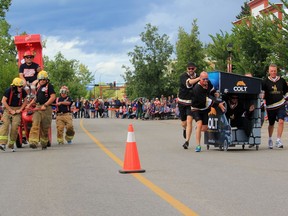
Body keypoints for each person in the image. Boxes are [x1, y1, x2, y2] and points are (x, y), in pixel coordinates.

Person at [191, 72, 226, 152]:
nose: (206, 81)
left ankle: (198, 129)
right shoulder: (197, 89)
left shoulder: (208, 83)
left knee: (205, 128)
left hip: (205, 108)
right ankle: (198, 145)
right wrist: (218, 104)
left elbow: (212, 91)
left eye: (207, 79)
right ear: (200, 79)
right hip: (196, 108)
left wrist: (216, 95)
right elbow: (207, 100)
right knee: (199, 123)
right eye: (204, 79)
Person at [26, 70, 56, 150]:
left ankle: (44, 142)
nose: (42, 81)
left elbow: (53, 97)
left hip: (47, 109)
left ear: (46, 80)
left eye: (44, 79)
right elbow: (36, 98)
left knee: (45, 128)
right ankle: (33, 142)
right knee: (35, 124)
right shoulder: (38, 87)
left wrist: (45, 105)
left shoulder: (49, 86)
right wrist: (29, 104)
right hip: (38, 108)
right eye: (41, 79)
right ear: (38, 80)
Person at [262, 64, 288, 149]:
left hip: (281, 104)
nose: (273, 72)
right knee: (271, 123)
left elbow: (286, 92)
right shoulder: (265, 81)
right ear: (268, 72)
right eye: (271, 71)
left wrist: (285, 98)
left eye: (275, 71)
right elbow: (262, 93)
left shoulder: (282, 81)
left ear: (277, 71)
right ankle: (270, 139)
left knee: (281, 121)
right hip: (270, 106)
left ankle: (278, 140)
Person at [0, 78, 28, 152]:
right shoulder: (8, 90)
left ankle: (11, 145)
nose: (21, 88)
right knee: (5, 125)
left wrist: (21, 109)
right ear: (14, 86)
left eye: (22, 86)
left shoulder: (23, 91)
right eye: (19, 87)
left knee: (15, 127)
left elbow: (25, 101)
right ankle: (2, 144)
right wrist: (10, 110)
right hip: (8, 109)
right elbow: (3, 101)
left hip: (17, 110)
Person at [177, 62, 200, 149]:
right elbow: (189, 83)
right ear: (187, 69)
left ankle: (187, 141)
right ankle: (184, 129)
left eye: (192, 68)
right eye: (189, 68)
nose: (191, 70)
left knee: (189, 121)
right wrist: (199, 78)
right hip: (182, 102)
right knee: (184, 123)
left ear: (195, 69)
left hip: (191, 103)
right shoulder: (183, 76)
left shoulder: (198, 76)